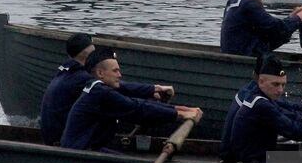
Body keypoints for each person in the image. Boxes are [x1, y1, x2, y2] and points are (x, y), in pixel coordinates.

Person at [38, 33, 175, 145]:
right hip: (61, 143)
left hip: (54, 136)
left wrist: (151, 93)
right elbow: (120, 88)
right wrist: (153, 89)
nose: (119, 75)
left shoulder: (66, 71)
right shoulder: (81, 78)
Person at [59, 48, 200, 151]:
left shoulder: (96, 88)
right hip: (80, 154)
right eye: (115, 71)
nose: (120, 75)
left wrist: (180, 109)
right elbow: (137, 109)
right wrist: (179, 114)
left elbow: (136, 101)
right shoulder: (101, 94)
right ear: (100, 73)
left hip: (86, 149)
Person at [219, 54, 302, 163]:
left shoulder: (260, 97)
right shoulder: (261, 105)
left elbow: (292, 112)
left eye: (283, 85)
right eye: (275, 84)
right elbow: (296, 131)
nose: (280, 90)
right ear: (261, 81)